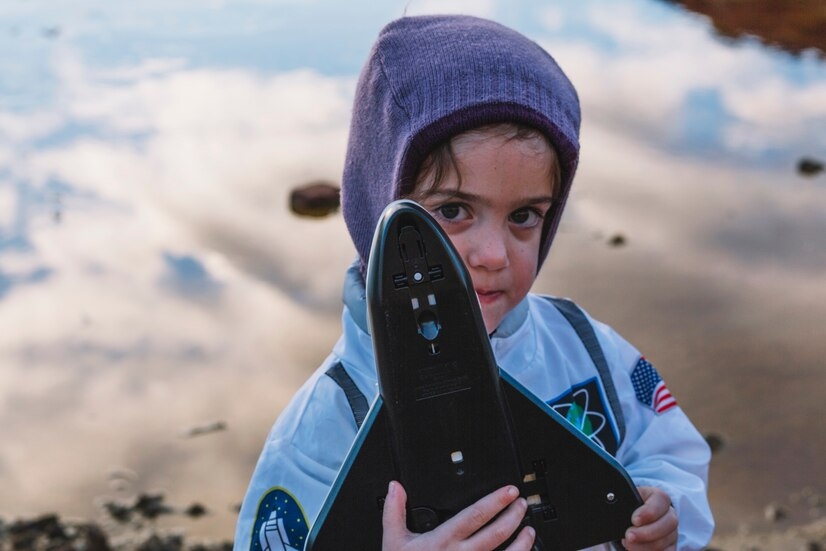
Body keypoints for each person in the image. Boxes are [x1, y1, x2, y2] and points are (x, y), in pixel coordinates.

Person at [234, 14, 714, 551]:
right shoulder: (329, 423)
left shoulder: (586, 348)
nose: (493, 255)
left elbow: (672, 452)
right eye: (455, 209)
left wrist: (666, 509)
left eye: (525, 216)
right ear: (380, 211)